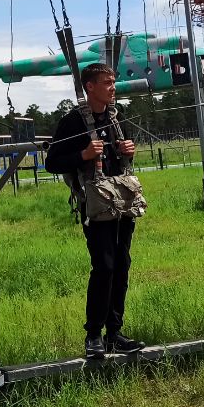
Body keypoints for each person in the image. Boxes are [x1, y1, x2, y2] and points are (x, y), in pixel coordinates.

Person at [44, 62, 146, 359]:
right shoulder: (74, 121)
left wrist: (128, 150)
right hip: (96, 206)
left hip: (122, 201)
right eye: (107, 82)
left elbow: (122, 154)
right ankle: (94, 335)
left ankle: (115, 332)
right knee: (104, 266)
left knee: (122, 264)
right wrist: (84, 155)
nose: (113, 87)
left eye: (113, 82)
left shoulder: (117, 116)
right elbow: (52, 162)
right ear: (90, 86)